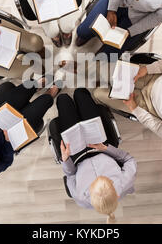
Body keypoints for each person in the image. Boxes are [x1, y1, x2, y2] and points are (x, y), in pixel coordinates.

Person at [56, 88, 137, 222]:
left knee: (63, 100)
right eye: (108, 180)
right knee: (80, 94)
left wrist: (66, 160)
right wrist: (106, 148)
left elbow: (70, 175)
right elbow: (128, 159)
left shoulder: (81, 198)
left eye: (92, 183)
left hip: (77, 155)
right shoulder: (125, 183)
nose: (97, 177)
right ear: (115, 191)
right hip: (100, 146)